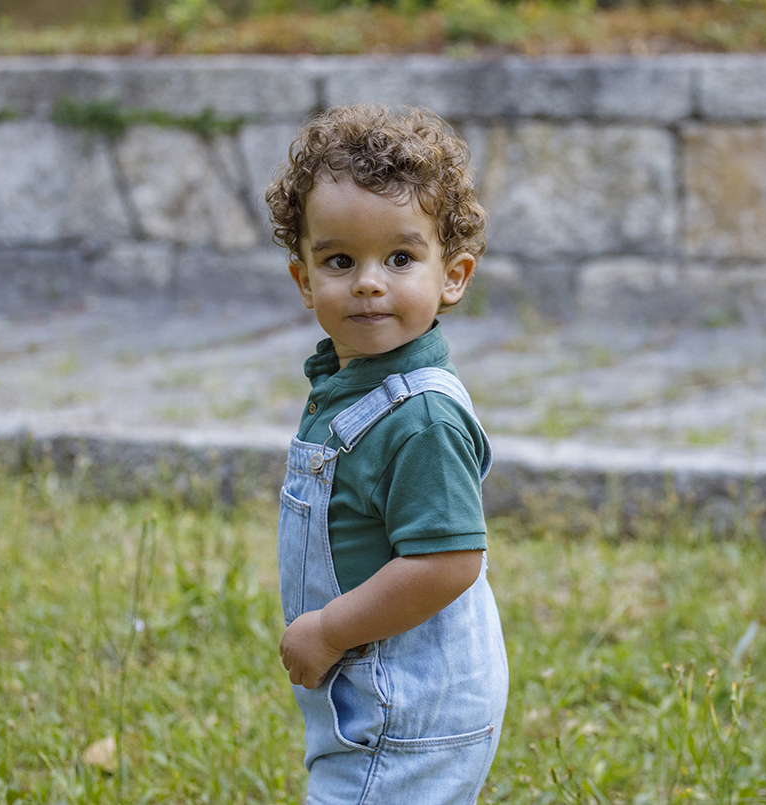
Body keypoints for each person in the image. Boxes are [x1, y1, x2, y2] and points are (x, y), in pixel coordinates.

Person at [264, 103, 508, 804]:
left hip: (405, 716)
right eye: (340, 260)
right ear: (304, 280)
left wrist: (328, 629)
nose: (369, 280)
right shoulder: (349, 386)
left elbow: (448, 561)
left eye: (400, 258)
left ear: (453, 274)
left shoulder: (420, 417)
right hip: (383, 705)